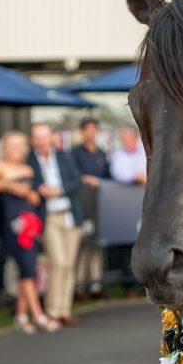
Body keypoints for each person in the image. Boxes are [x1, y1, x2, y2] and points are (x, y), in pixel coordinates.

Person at [0, 131, 58, 333]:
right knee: (27, 270)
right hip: (13, 226)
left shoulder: (28, 168)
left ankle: (21, 316)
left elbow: (36, 198)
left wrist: (29, 193)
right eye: (12, 145)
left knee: (28, 270)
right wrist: (8, 185)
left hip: (31, 223)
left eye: (19, 145)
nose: (16, 149)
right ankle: (38, 315)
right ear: (5, 148)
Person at [27, 123, 82, 327]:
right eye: (37, 137)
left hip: (69, 215)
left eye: (44, 136)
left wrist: (59, 189)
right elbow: (28, 182)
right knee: (58, 262)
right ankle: (52, 309)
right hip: (49, 217)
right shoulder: (30, 160)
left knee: (69, 265)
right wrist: (40, 188)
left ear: (51, 137)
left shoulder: (62, 155)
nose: (42, 141)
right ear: (33, 140)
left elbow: (77, 181)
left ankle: (64, 309)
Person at [71, 118, 109, 299]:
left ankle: (95, 284)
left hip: (99, 205)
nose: (91, 133)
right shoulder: (75, 152)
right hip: (82, 204)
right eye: (88, 129)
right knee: (82, 244)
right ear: (82, 132)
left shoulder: (101, 153)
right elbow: (73, 175)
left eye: (94, 129)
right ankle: (78, 285)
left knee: (97, 244)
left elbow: (107, 176)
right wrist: (85, 179)